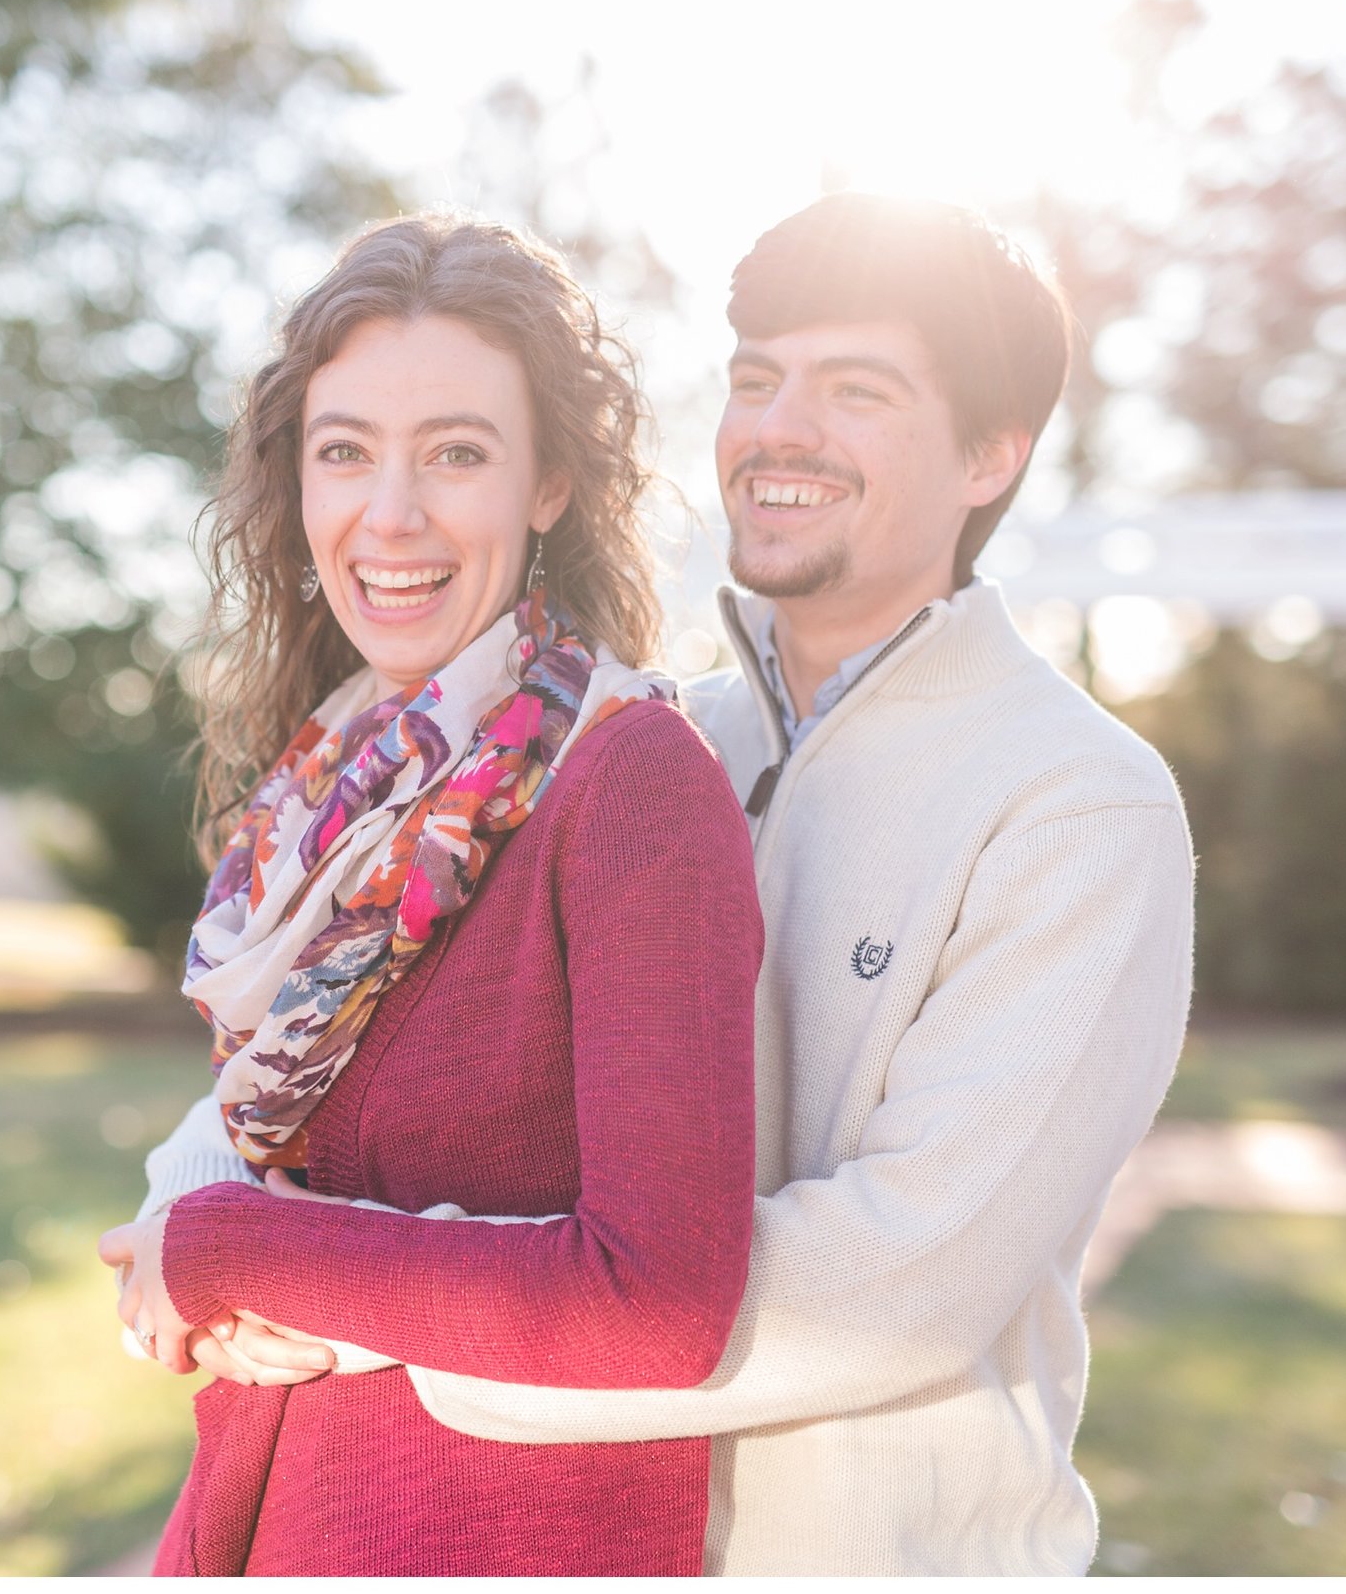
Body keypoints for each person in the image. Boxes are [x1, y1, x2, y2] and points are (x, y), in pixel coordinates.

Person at [139, 192, 1197, 1575]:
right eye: (757, 379)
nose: (779, 428)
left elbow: (904, 1279)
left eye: (855, 389)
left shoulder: (1074, 802)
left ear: (993, 453)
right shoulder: (620, 738)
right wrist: (197, 1197)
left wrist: (368, 1308)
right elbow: (351, 1032)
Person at [93, 213, 762, 1577]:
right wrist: (194, 1239)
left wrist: (233, 1246)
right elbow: (278, 1153)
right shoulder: (337, 784)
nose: (388, 515)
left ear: (551, 483)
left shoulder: (629, 780)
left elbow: (660, 1300)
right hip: (267, 1513)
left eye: (455, 452)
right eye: (345, 452)